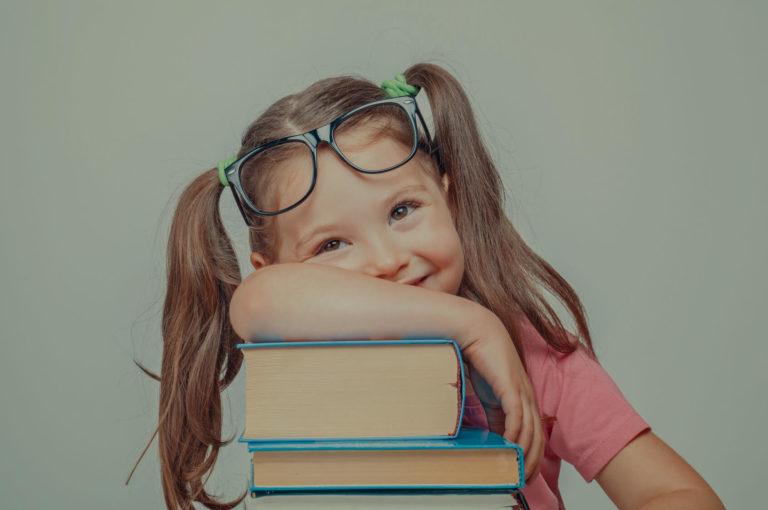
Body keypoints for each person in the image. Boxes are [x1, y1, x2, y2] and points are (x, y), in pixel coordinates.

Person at [129, 63, 725, 509]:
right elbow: (257, 303)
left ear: (449, 195)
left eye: (402, 210)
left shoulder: (537, 353)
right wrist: (468, 323)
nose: (388, 260)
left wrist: (495, 327)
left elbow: (680, 494)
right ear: (275, 266)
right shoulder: (295, 332)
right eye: (331, 245)